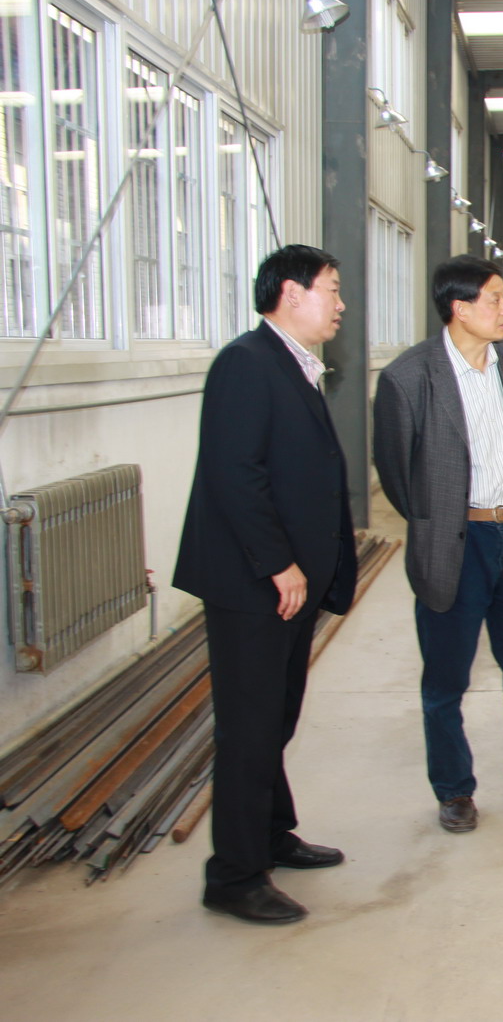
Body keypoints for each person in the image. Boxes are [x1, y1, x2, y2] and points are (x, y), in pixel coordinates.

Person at [173, 244, 357, 925]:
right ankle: (234, 875)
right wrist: (279, 562)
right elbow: (234, 472)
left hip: (287, 583)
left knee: (275, 718)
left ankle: (271, 835)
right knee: (249, 730)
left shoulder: (292, 363)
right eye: (332, 289)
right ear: (291, 292)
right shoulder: (246, 363)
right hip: (254, 582)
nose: (340, 304)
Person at [372, 255, 503, 835]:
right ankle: (454, 789)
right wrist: (442, 523)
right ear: (460, 308)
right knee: (446, 680)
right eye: (495, 298)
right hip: (456, 543)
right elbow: (396, 475)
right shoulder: (408, 377)